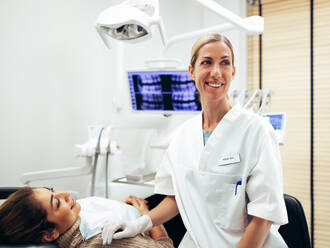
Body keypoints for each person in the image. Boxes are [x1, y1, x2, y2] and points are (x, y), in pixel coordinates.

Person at [102, 33, 288, 248]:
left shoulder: (256, 130)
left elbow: (264, 215)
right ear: (192, 71)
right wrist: (139, 224)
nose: (216, 72)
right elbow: (176, 198)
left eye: (225, 63)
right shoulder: (183, 135)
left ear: (233, 71)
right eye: (207, 62)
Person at [0, 187, 173, 248]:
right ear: (50, 234)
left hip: (133, 212)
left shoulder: (72, 216)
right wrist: (145, 215)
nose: (66, 194)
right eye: (57, 202)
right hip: (160, 231)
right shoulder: (102, 239)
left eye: (52, 191)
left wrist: (120, 208)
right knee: (180, 194)